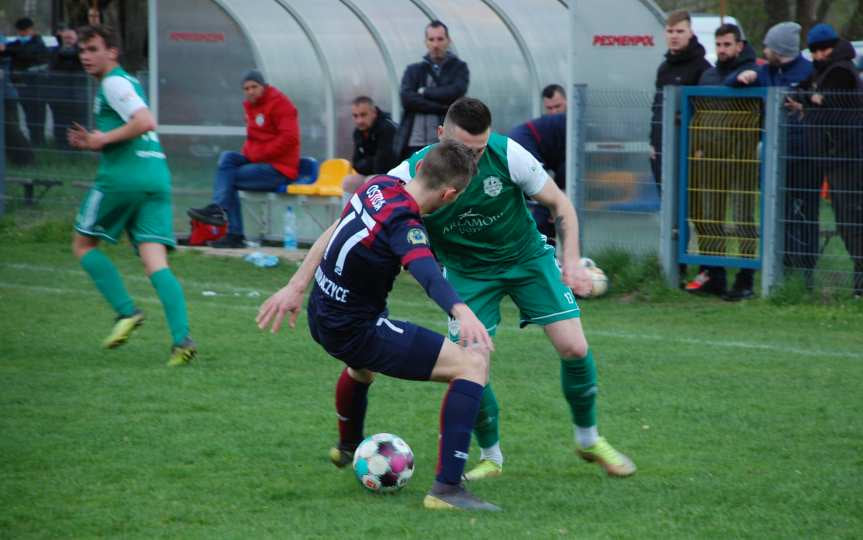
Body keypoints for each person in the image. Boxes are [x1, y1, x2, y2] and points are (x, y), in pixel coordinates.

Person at [390, 97, 635, 481]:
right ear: (440, 136)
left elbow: (560, 205)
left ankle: (588, 439)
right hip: (469, 274)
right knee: (472, 364)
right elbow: (374, 213)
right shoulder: (413, 173)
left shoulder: (509, 155)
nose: (472, 161)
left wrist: (571, 261)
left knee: (574, 347)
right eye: (463, 151)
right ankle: (491, 458)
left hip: (526, 259)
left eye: (479, 151)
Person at [256, 140, 500, 511]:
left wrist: (297, 285)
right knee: (472, 364)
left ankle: (348, 446)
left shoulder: (377, 185)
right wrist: (460, 310)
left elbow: (335, 228)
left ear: (419, 170)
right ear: (450, 194)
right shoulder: (405, 222)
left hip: (322, 311)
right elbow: (427, 272)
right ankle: (447, 489)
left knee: (362, 369)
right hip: (355, 327)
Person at [68, 25, 195, 366]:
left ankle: (126, 311)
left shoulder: (114, 82)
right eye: (82, 49)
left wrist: (101, 141)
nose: (86, 55)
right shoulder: (127, 83)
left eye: (93, 48)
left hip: (124, 179)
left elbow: (145, 121)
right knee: (155, 262)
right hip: (156, 177)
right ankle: (181, 341)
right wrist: (99, 140)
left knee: (82, 244)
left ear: (113, 52)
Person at [730, 23, 814, 288]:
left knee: (806, 214)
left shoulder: (808, 73)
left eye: (768, 45)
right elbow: (729, 83)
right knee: (778, 212)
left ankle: (806, 274)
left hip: (805, 157)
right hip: (775, 160)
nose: (764, 49)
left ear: (780, 49)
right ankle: (782, 269)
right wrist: (743, 77)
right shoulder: (766, 71)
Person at [686, 23, 758, 299]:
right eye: (719, 45)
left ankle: (745, 277)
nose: (722, 50)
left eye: (728, 45)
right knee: (709, 218)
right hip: (711, 160)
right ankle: (715, 276)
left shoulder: (752, 75)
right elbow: (700, 118)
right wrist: (699, 147)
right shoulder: (708, 76)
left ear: (740, 45)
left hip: (742, 160)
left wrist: (750, 76)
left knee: (742, 218)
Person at [188, 70, 300, 248]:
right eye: (246, 88)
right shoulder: (251, 106)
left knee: (230, 179)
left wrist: (256, 155)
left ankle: (232, 231)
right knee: (227, 158)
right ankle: (219, 211)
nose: (250, 91)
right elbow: (253, 138)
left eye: (254, 87)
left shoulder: (280, 104)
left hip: (280, 168)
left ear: (263, 86)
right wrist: (249, 154)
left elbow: (289, 139)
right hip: (258, 162)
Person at [794, 24, 863, 297]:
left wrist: (809, 101)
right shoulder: (822, 71)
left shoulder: (840, 71)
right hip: (833, 158)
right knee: (846, 221)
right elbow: (803, 93)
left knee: (852, 220)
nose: (819, 55)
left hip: (846, 157)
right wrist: (811, 98)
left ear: (833, 47)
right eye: (814, 50)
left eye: (824, 49)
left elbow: (830, 103)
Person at [649, 10, 711, 197]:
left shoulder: (703, 68)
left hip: (690, 145)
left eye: (680, 31)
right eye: (670, 31)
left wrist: (701, 145)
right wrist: (653, 141)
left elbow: (706, 111)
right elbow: (657, 106)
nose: (674, 36)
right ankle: (670, 227)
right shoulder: (664, 68)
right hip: (662, 145)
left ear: (690, 33)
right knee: (666, 195)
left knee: (689, 197)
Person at [394, 20, 469, 160]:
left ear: (448, 41)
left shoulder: (459, 68)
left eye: (440, 39)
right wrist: (441, 106)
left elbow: (455, 92)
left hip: (446, 141)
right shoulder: (414, 70)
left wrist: (425, 92)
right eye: (431, 39)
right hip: (414, 143)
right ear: (426, 42)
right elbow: (407, 99)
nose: (436, 45)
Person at [508, 112, 566, 242]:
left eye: (557, 107)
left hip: (532, 145)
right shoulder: (563, 123)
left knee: (550, 199)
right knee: (541, 195)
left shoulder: (571, 125)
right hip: (525, 141)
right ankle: (541, 243)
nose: (553, 110)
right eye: (550, 107)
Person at [341, 96, 399, 205]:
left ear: (374, 112)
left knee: (372, 181)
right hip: (372, 175)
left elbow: (383, 167)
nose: (359, 120)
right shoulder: (358, 132)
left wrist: (367, 161)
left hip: (395, 176)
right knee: (349, 182)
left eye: (363, 115)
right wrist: (373, 160)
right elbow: (357, 164)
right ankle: (346, 219)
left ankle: (374, 220)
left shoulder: (387, 128)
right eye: (355, 116)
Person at [2, 17, 50, 147]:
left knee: (38, 116)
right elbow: (7, 51)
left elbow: (26, 54)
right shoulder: (17, 44)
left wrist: (8, 49)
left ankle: (40, 143)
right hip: (21, 86)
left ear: (31, 30)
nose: (22, 34)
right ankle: (33, 143)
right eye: (20, 32)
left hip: (37, 86)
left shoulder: (39, 43)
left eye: (24, 31)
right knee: (29, 117)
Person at [49, 25, 86, 150]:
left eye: (71, 37)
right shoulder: (55, 51)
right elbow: (52, 67)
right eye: (66, 37)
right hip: (59, 96)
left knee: (78, 123)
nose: (68, 40)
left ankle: (79, 149)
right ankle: (61, 148)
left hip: (78, 96)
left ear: (76, 38)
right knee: (60, 123)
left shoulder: (82, 51)